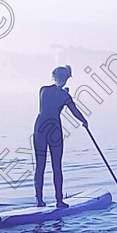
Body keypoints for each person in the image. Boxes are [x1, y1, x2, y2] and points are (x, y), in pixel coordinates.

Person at [33, 65, 88, 208]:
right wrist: (84, 121)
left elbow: (53, 93)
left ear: (53, 76)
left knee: (40, 166)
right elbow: (75, 112)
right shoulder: (65, 96)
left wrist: (63, 93)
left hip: (39, 128)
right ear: (66, 79)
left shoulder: (43, 90)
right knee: (57, 166)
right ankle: (59, 201)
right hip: (54, 130)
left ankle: (39, 201)